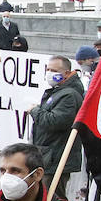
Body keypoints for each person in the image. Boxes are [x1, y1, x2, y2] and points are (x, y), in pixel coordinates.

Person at [28, 56, 85, 193]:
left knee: (53, 198)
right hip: (48, 156)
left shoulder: (69, 95)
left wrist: (35, 111)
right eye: (48, 69)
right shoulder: (59, 91)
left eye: (54, 70)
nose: (49, 73)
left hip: (55, 158)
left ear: (66, 73)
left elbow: (54, 121)